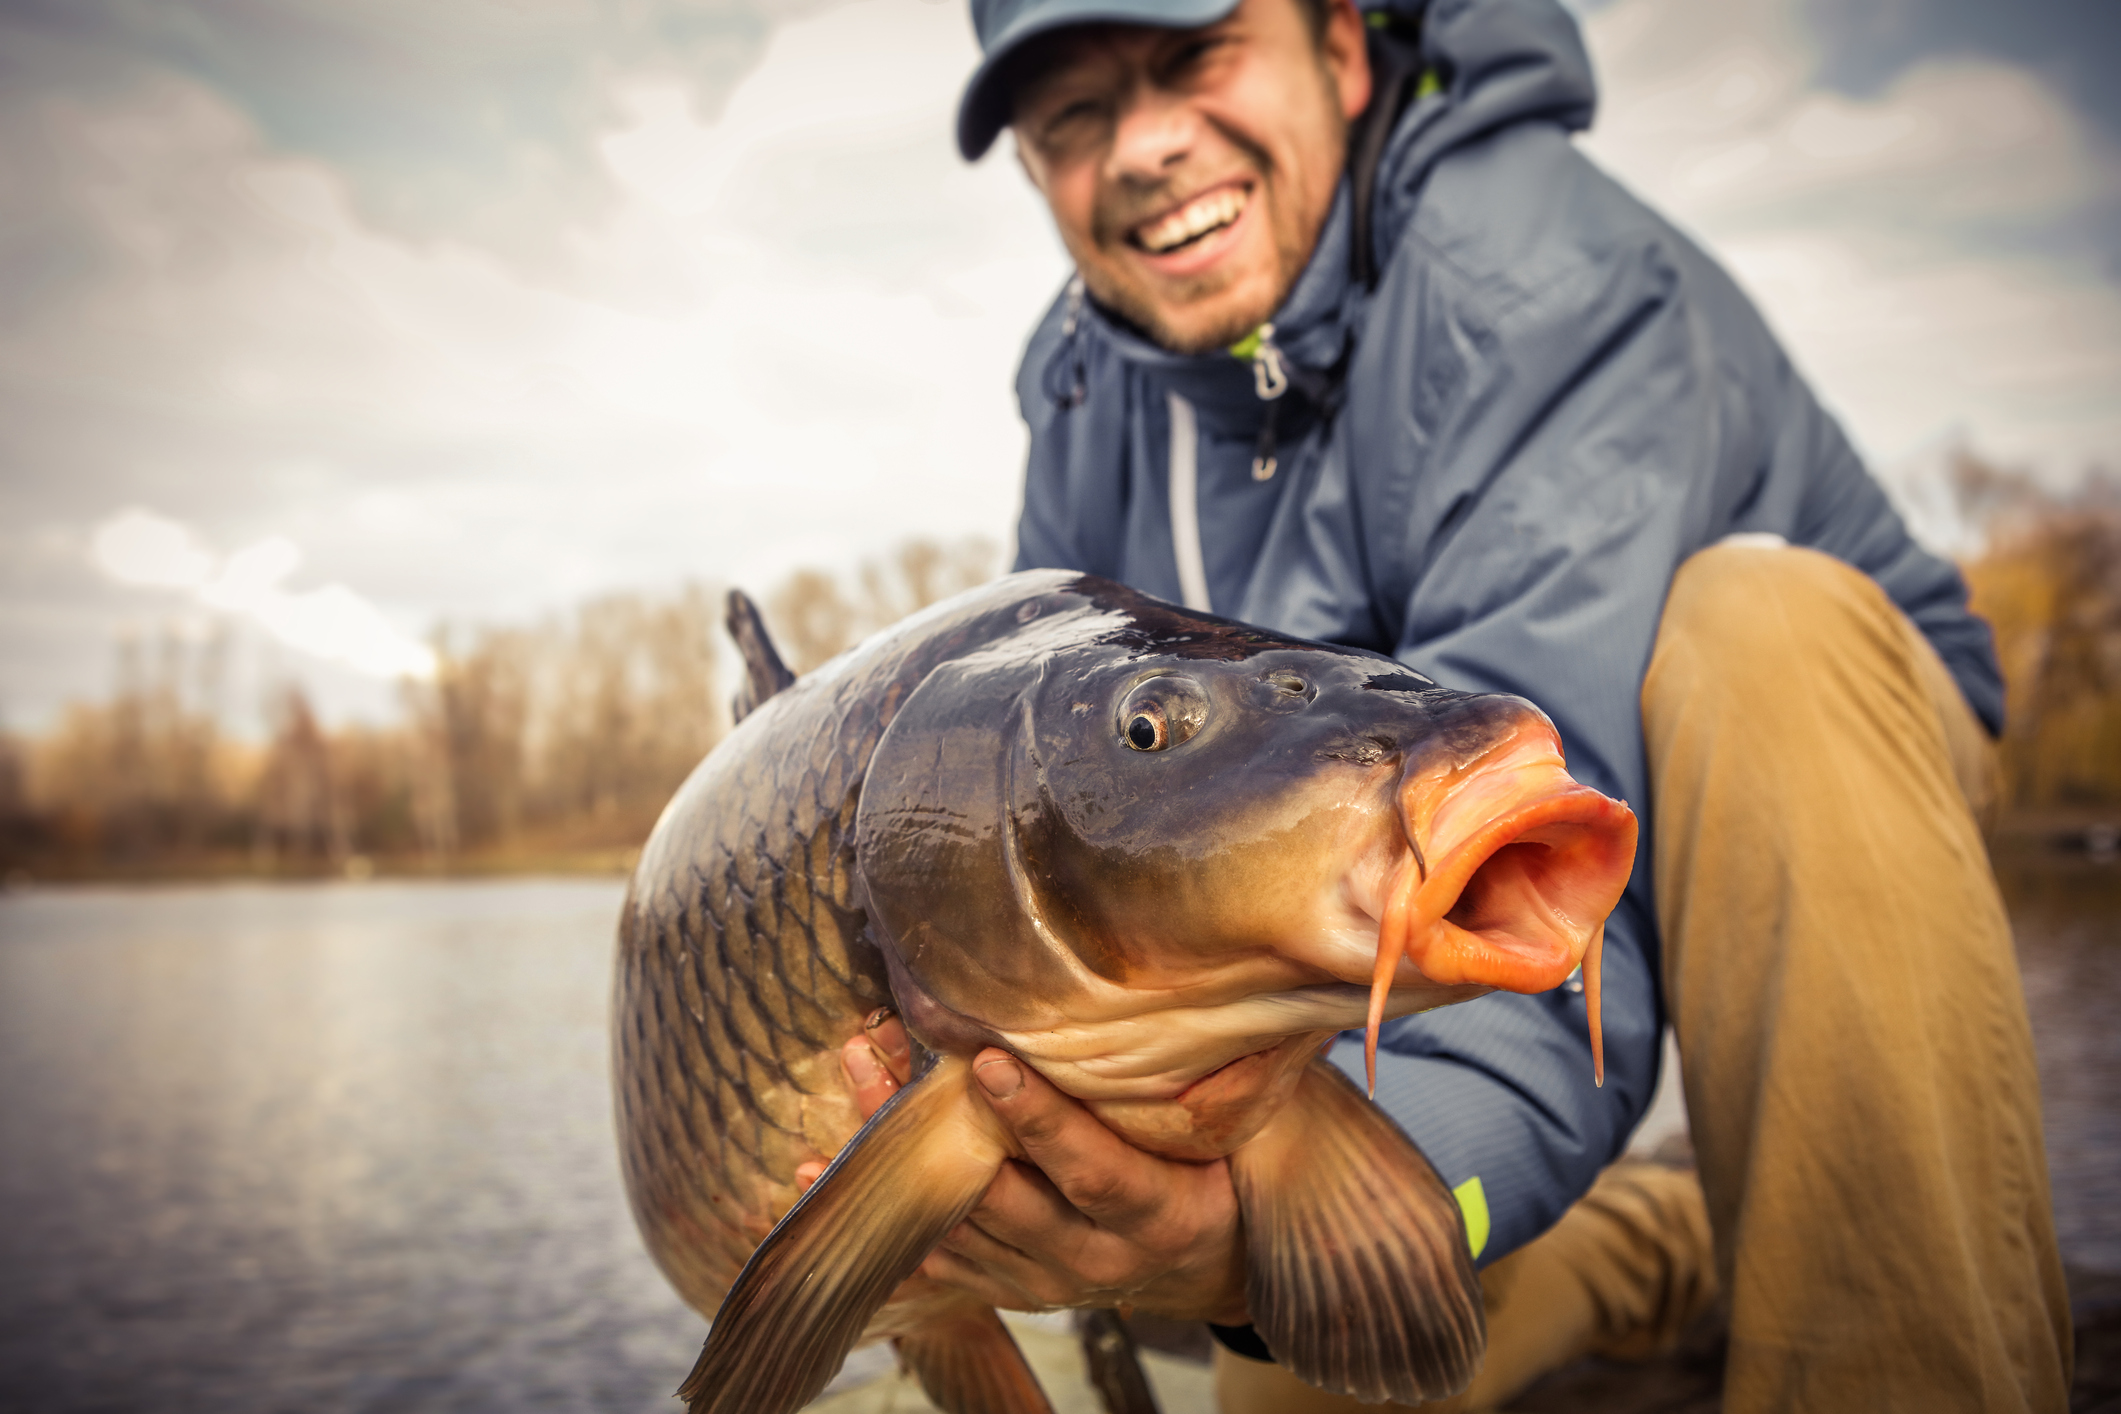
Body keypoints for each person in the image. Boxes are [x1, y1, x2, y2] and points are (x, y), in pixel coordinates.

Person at [818, 0, 2074, 1406]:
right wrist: (1213, 1227)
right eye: (1072, 116)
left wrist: (1281, 1222)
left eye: (1193, 56)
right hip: (1367, 818)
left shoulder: (1534, 278)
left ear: (1341, 51)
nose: (1145, 147)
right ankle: (1655, 1240)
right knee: (1302, 1350)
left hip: (1813, 749)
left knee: (1756, 633)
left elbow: (1510, 878)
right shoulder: (1079, 388)